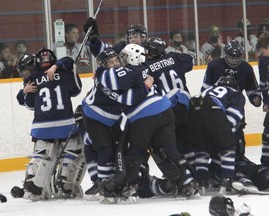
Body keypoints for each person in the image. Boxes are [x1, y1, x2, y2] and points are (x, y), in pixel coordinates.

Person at [101, 44, 199, 203]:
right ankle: (187, 181)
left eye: (124, 57)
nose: (120, 61)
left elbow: (128, 98)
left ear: (132, 58)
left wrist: (110, 88)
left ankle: (127, 186)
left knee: (136, 152)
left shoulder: (125, 72)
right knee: (169, 150)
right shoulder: (144, 70)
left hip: (145, 116)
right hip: (165, 110)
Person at [81, 47, 153, 203]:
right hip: (94, 117)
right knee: (105, 150)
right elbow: (129, 97)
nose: (114, 64)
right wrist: (146, 81)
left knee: (117, 150)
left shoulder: (116, 72)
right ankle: (103, 186)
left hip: (112, 118)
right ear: (103, 65)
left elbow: (130, 79)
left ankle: (108, 182)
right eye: (110, 62)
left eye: (116, 61)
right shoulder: (107, 75)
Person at [21, 48, 84, 201]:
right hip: (65, 124)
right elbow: (77, 89)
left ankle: (32, 183)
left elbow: (29, 105)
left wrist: (24, 91)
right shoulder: (64, 73)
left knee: (40, 154)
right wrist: (59, 68)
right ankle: (66, 183)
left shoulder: (33, 79)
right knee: (73, 150)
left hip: (41, 127)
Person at [201, 40, 261, 163]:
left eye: (237, 57)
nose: (234, 60)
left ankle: (237, 163)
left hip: (236, 108)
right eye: (231, 57)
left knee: (237, 139)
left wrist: (255, 98)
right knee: (215, 139)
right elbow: (205, 90)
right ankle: (218, 165)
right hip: (217, 110)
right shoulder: (214, 66)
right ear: (225, 54)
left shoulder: (246, 68)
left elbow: (252, 89)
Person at [142, 37, 195, 166]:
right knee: (186, 140)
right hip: (185, 104)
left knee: (172, 142)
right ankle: (194, 169)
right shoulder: (175, 57)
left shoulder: (147, 67)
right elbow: (190, 61)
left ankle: (182, 171)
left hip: (167, 108)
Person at [189, 76, 245, 195]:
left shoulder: (207, 90)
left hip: (194, 110)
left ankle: (202, 182)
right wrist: (225, 132)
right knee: (228, 149)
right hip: (213, 110)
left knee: (202, 150)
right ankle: (226, 181)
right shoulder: (235, 93)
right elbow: (233, 116)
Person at [83, 17, 147, 56]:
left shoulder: (151, 47)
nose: (132, 40)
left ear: (143, 37)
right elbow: (103, 52)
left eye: (135, 37)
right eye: (130, 37)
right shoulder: (122, 48)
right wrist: (94, 38)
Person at [256, 32, 269, 166]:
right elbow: (264, 84)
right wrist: (266, 101)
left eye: (263, 51)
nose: (261, 54)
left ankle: (265, 163)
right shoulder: (264, 61)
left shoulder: (264, 61)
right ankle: (265, 164)